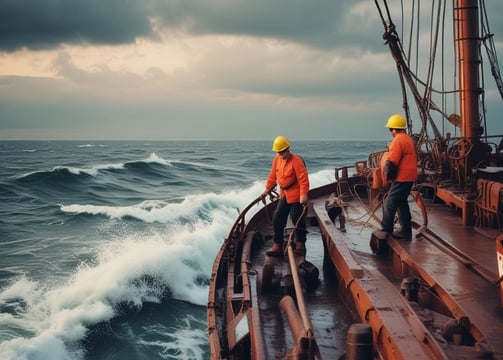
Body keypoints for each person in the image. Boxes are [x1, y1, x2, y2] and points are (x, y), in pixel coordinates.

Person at [261, 135, 310, 256]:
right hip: (284, 194)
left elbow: (303, 180)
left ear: (288, 149)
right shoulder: (276, 160)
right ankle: (277, 245)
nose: (281, 154)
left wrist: (303, 195)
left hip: (296, 193)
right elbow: (273, 176)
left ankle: (300, 243)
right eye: (279, 152)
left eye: (283, 151)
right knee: (277, 218)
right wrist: (266, 190)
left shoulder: (296, 161)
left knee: (296, 217)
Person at [373, 114, 417, 240]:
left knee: (389, 202)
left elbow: (392, 161)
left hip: (402, 177)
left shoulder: (397, 140)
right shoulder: (408, 139)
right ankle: (405, 230)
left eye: (390, 129)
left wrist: (388, 176)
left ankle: (386, 229)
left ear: (393, 129)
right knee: (401, 202)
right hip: (410, 176)